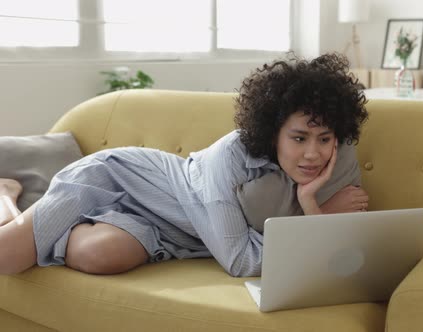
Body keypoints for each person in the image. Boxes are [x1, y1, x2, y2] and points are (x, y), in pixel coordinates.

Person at [0, 52, 369, 278]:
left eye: (324, 139)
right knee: (8, 258)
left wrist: (309, 203)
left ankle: (40, 215)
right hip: (117, 179)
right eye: (299, 138)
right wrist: (314, 218)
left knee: (97, 254)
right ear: (273, 131)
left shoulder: (332, 163)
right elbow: (240, 261)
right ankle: (9, 197)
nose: (313, 155)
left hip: (167, 229)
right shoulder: (229, 158)